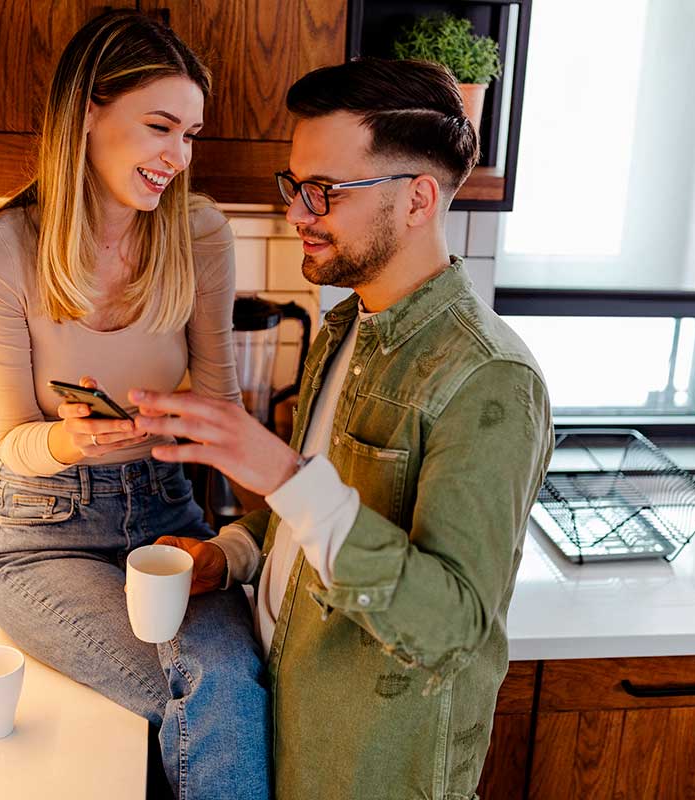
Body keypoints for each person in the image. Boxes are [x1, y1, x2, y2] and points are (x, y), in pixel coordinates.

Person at [131, 57, 554, 800]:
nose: (298, 213)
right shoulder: (343, 327)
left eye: (323, 191)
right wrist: (229, 553)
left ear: (419, 199)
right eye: (295, 187)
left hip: (366, 768)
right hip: (284, 720)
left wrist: (284, 476)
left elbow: (451, 628)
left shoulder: (490, 380)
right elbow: (307, 526)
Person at [0, 11, 269, 799]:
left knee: (234, 678)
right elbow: (9, 442)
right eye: (160, 126)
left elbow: (223, 402)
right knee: (202, 694)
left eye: (190, 135)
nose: (177, 156)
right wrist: (68, 442)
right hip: (41, 535)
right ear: (87, 112)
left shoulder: (198, 233)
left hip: (166, 514)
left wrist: (268, 530)